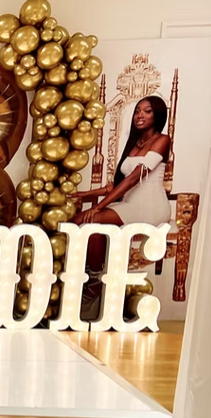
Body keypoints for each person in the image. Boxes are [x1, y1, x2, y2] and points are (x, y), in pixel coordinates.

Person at [71, 95, 171, 298]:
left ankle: (94, 283)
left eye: (147, 111)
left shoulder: (162, 140)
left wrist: (98, 207)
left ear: (157, 115)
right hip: (130, 204)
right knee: (81, 222)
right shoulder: (134, 144)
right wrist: (84, 194)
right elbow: (116, 185)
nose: (140, 115)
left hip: (151, 206)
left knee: (91, 220)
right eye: (137, 111)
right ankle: (94, 277)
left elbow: (133, 179)